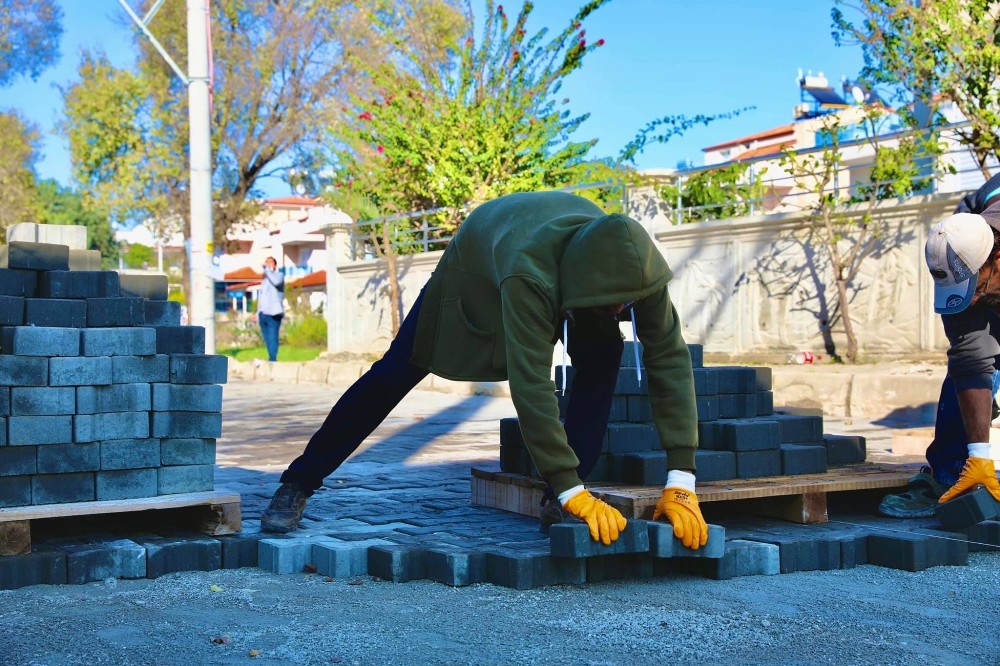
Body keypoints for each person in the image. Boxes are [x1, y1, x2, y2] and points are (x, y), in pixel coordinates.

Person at [261, 191, 708, 548]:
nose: (619, 310)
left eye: (625, 303)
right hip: (477, 262)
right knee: (396, 371)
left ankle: (558, 499)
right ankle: (299, 482)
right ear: (585, 283)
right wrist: (574, 489)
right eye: (612, 302)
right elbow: (531, 381)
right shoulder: (529, 272)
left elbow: (668, 358)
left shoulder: (635, 267)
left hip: (568, 263)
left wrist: (682, 479)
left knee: (603, 352)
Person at [879, 174, 1000, 518]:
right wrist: (979, 453)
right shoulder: (959, 243)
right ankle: (950, 476)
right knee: (965, 374)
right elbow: (972, 359)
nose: (971, 298)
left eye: (976, 286)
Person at [256, 256, 285, 363]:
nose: (268, 265)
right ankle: (270, 357)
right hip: (263, 313)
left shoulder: (279, 276)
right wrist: (257, 312)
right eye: (266, 263)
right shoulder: (264, 281)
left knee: (273, 337)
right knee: (267, 337)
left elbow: (276, 282)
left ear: (275, 265)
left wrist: (268, 270)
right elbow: (262, 298)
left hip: (274, 313)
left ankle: (273, 359)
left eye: (270, 263)